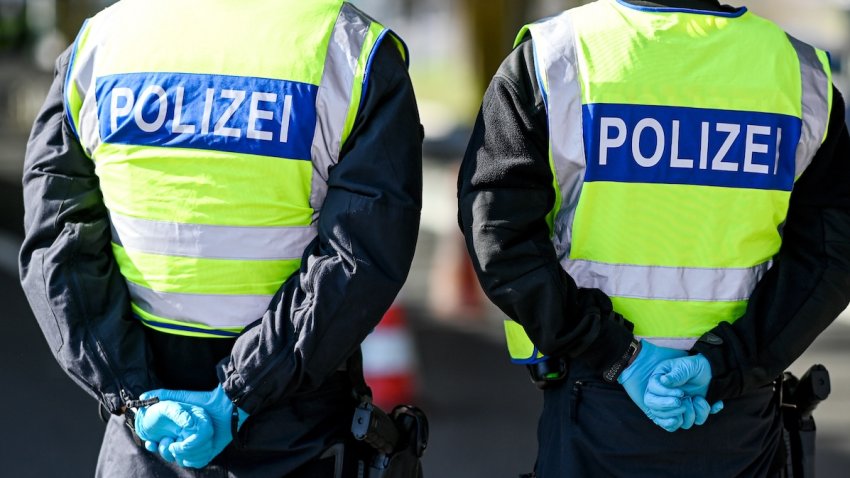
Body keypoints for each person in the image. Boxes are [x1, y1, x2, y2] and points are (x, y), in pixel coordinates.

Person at [19, 0, 422, 475]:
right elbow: (359, 259)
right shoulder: (351, 51)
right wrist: (237, 394)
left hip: (148, 441)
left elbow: (57, 245)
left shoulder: (100, 45)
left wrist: (133, 395)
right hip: (296, 435)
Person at [458, 0, 850, 476]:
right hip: (739, 416)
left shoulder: (555, 57)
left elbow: (498, 233)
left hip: (594, 404)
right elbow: (831, 255)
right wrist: (729, 362)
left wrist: (621, 356)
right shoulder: (800, 75)